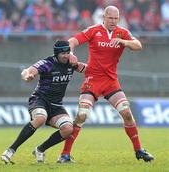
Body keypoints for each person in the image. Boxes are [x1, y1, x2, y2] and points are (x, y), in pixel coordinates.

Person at [57, 5, 154, 163]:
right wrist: (71, 53)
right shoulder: (94, 30)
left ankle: (139, 150)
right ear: (104, 17)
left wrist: (123, 42)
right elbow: (72, 40)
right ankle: (64, 154)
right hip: (92, 80)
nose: (114, 21)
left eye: (116, 18)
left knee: (127, 113)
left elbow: (138, 45)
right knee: (82, 115)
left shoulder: (122, 32)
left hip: (111, 81)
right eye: (110, 18)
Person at [1, 40, 87, 164]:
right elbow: (27, 71)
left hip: (56, 104)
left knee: (68, 129)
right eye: (62, 53)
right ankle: (10, 150)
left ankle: (40, 149)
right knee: (40, 118)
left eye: (67, 53)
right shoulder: (47, 63)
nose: (65, 56)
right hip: (39, 99)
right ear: (56, 53)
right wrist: (27, 76)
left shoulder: (71, 63)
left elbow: (90, 69)